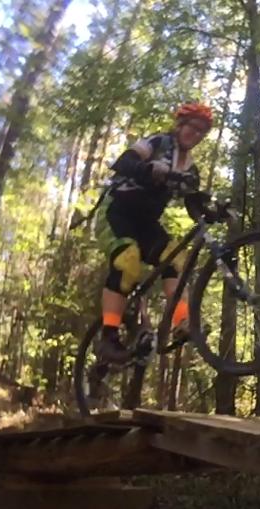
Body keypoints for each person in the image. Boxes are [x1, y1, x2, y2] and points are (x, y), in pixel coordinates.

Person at [94, 102, 217, 361]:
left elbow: (193, 202)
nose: (194, 135)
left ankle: (182, 323)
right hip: (117, 210)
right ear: (180, 125)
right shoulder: (158, 142)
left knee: (174, 257)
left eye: (201, 132)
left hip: (146, 223)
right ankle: (108, 337)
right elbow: (123, 162)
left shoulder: (189, 168)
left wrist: (215, 212)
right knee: (127, 262)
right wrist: (147, 169)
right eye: (192, 127)